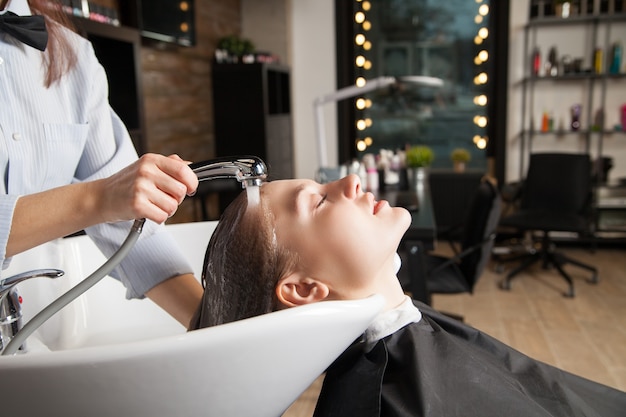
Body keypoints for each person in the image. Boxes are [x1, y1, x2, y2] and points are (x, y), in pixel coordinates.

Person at [191, 174, 626, 416]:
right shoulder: (388, 402)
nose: (351, 181)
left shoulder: (413, 351)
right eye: (320, 201)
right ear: (304, 288)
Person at [0, 0, 203, 327]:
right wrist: (98, 198)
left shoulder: (74, 56)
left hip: (35, 323)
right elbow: (109, 196)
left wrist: (211, 321)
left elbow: (128, 223)